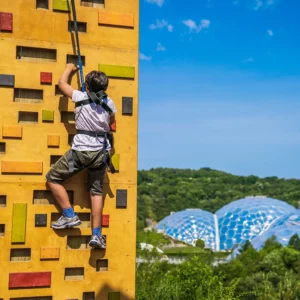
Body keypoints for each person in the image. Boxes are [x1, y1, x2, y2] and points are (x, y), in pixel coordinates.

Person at [46, 63, 116, 249]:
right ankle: (96, 235)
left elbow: (61, 84)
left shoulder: (80, 96)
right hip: (101, 152)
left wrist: (69, 68)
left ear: (87, 86)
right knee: (96, 191)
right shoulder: (109, 103)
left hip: (81, 151)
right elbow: (112, 124)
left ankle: (69, 215)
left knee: (53, 177)